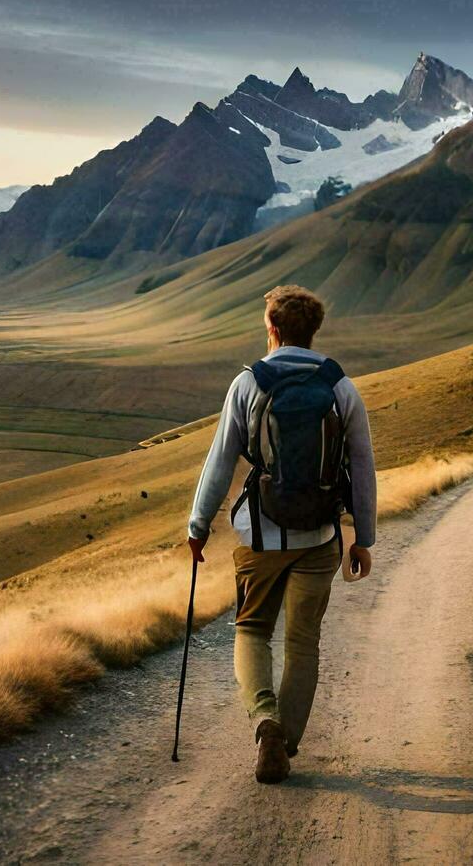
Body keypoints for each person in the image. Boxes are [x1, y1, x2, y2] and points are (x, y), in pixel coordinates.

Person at [186, 284, 377, 783]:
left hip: (259, 536)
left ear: (271, 327)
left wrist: (198, 526)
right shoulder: (340, 386)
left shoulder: (248, 384)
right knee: (303, 642)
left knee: (252, 629)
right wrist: (364, 537)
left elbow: (221, 461)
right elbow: (361, 464)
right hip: (319, 538)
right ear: (314, 331)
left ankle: (264, 720)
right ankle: (286, 742)